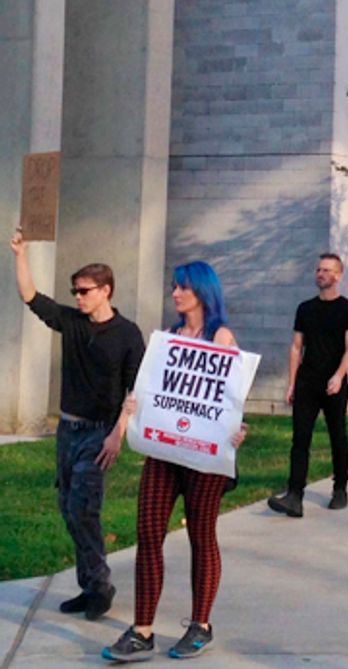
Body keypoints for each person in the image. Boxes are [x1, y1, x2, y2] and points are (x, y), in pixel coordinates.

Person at [102, 262, 247, 661]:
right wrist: (134, 408)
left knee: (202, 536)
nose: (175, 294)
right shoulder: (167, 338)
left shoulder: (221, 337)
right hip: (164, 452)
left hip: (204, 457)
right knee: (148, 532)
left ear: (202, 291)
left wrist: (238, 429)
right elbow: (154, 388)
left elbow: (229, 400)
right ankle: (142, 629)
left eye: (182, 288)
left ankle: (201, 625)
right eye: (174, 288)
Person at [10, 230, 144, 622]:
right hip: (67, 431)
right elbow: (30, 296)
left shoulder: (128, 334)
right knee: (68, 509)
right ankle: (90, 586)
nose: (78, 297)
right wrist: (21, 253)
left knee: (84, 508)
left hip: (100, 432)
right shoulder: (72, 322)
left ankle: (99, 586)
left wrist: (118, 433)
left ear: (106, 290)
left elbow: (134, 390)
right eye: (75, 291)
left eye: (85, 291)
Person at [268, 254, 348, 517]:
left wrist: (339, 375)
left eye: (327, 270)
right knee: (300, 438)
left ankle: (340, 487)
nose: (321, 274)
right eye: (318, 269)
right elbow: (296, 347)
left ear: (338, 276)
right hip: (307, 382)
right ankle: (294, 495)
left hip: (334, 383)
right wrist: (292, 383)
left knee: (337, 435)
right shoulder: (305, 308)